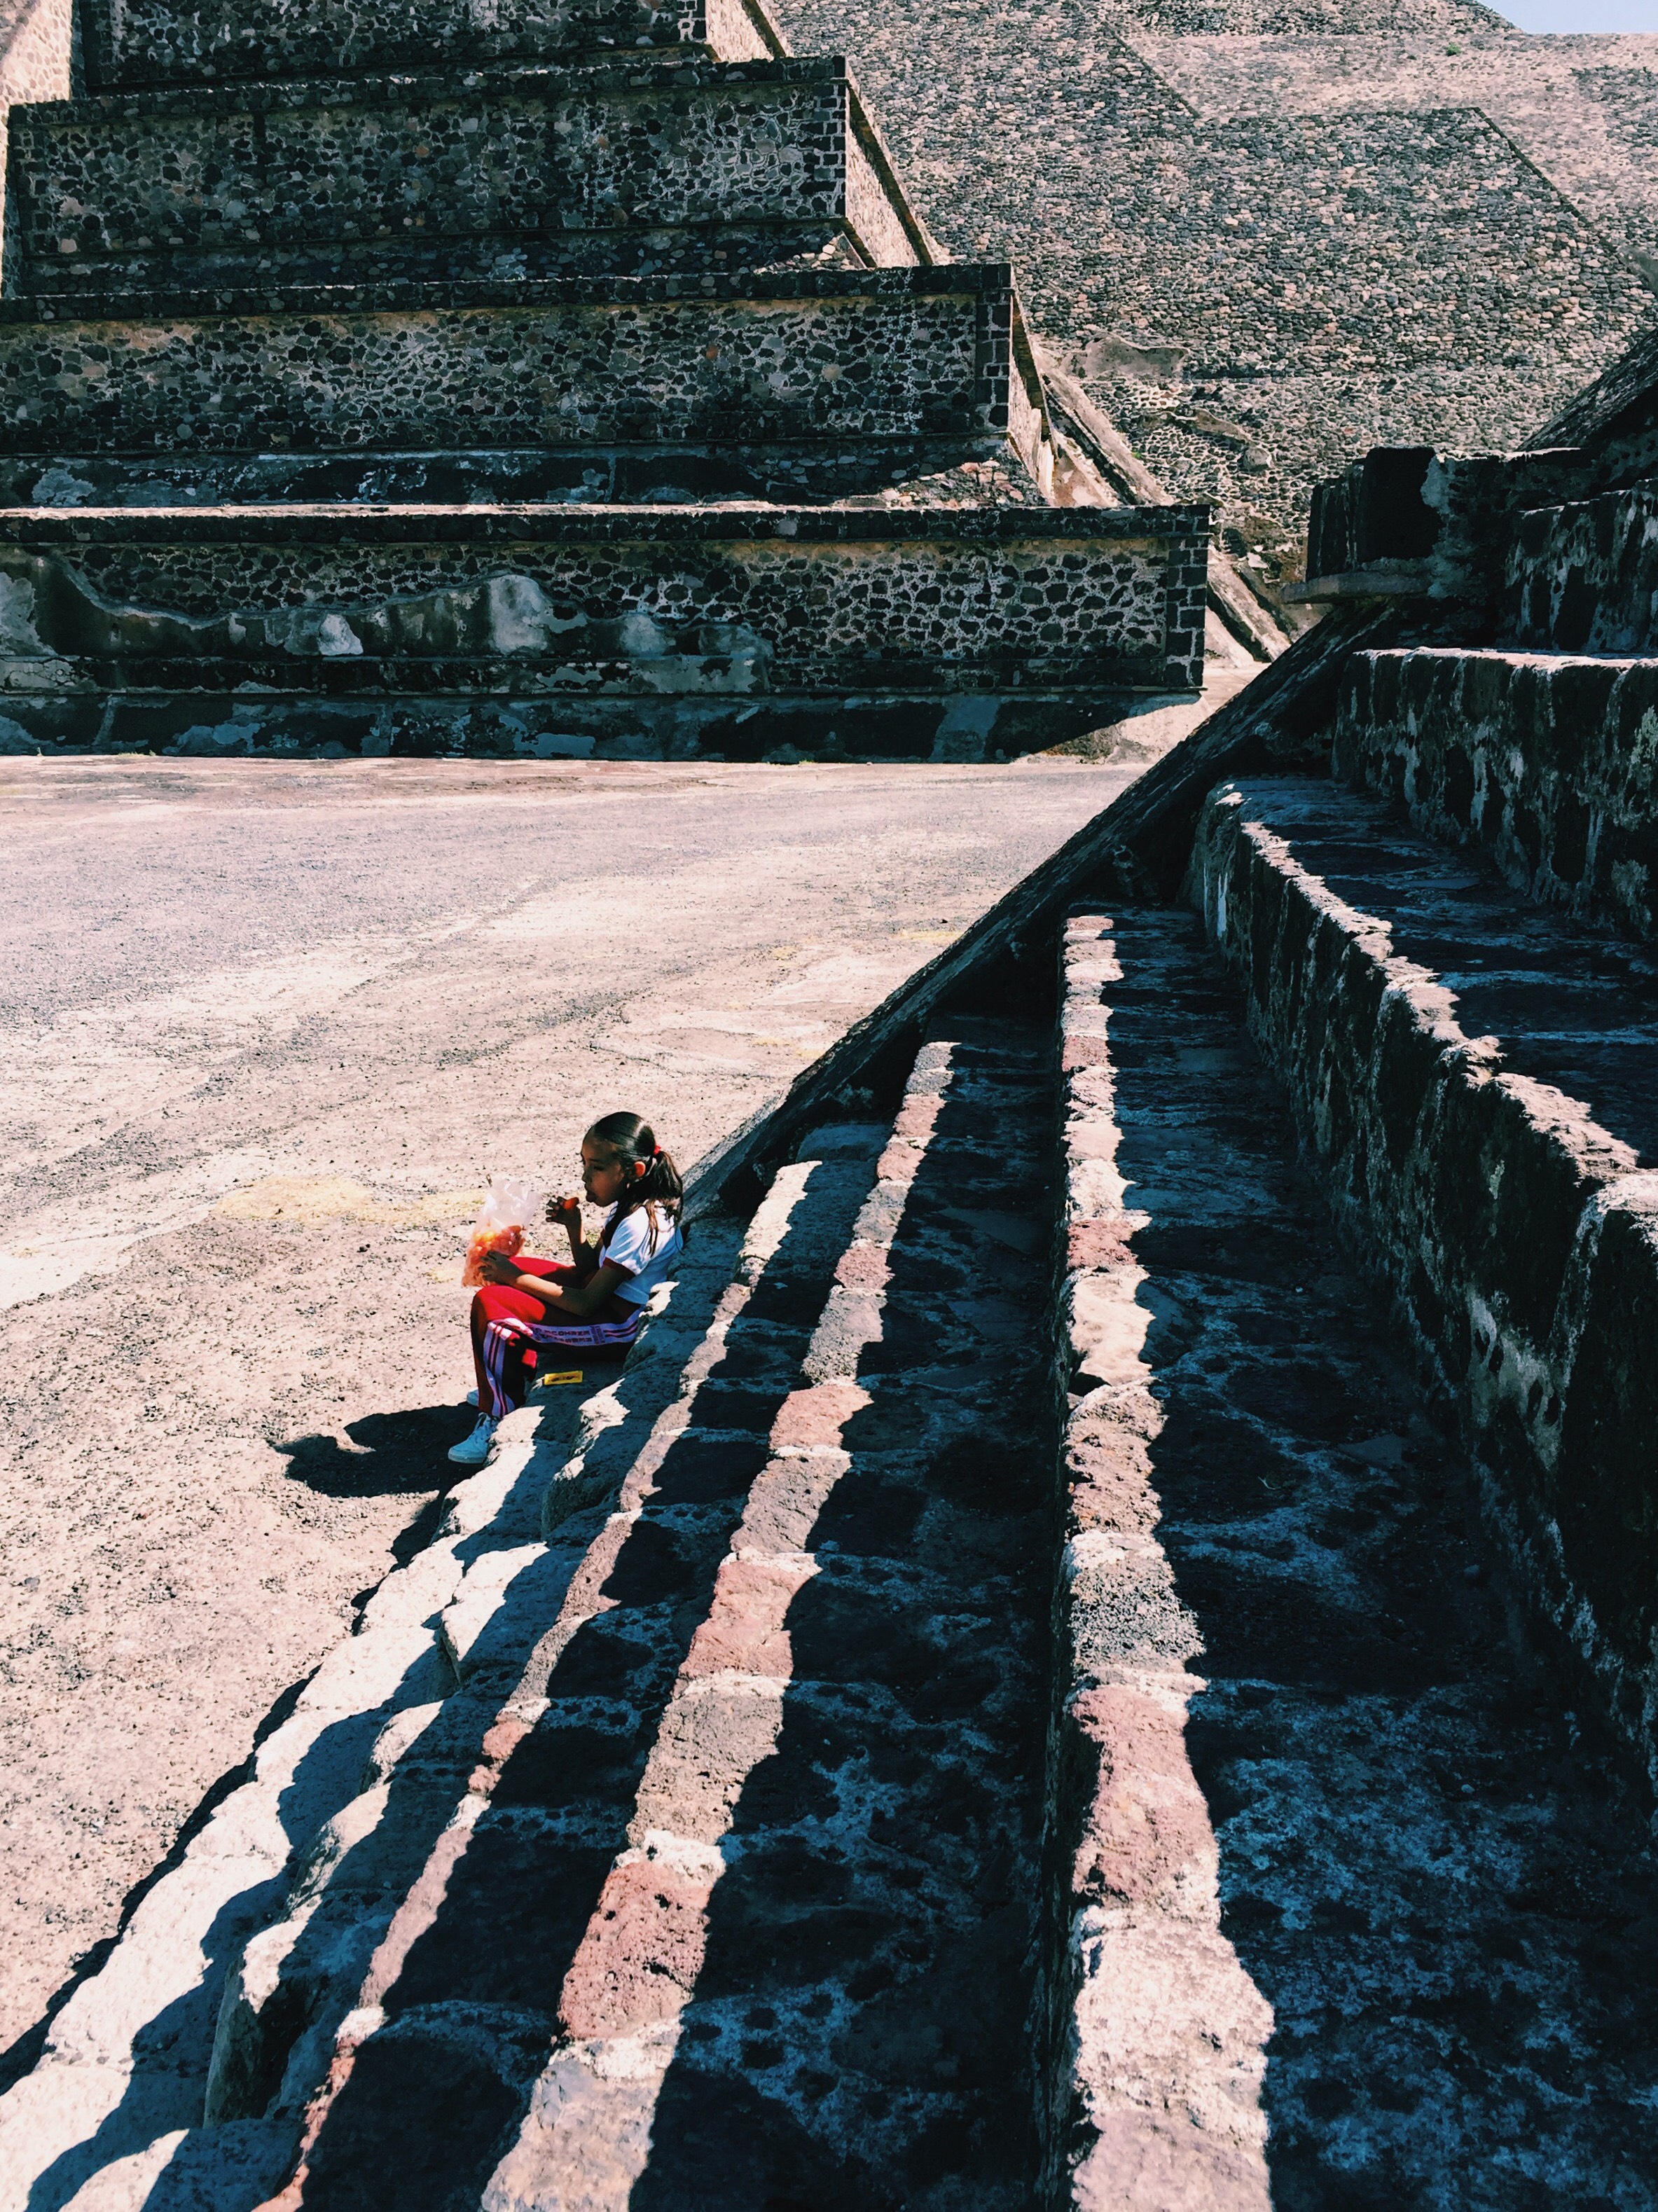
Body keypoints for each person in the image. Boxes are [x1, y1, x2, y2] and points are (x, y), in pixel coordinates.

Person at [448, 1112, 685, 1467]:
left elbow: (588, 1304)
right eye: (584, 1164)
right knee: (512, 1271)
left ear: (634, 1172)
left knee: (491, 1306)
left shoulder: (641, 1224)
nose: (585, 1176)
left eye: (598, 1168)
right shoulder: (631, 1204)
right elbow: (591, 1270)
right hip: (607, 1303)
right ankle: (514, 1375)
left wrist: (514, 1278)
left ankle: (497, 1413)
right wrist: (574, 1227)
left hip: (620, 1327)